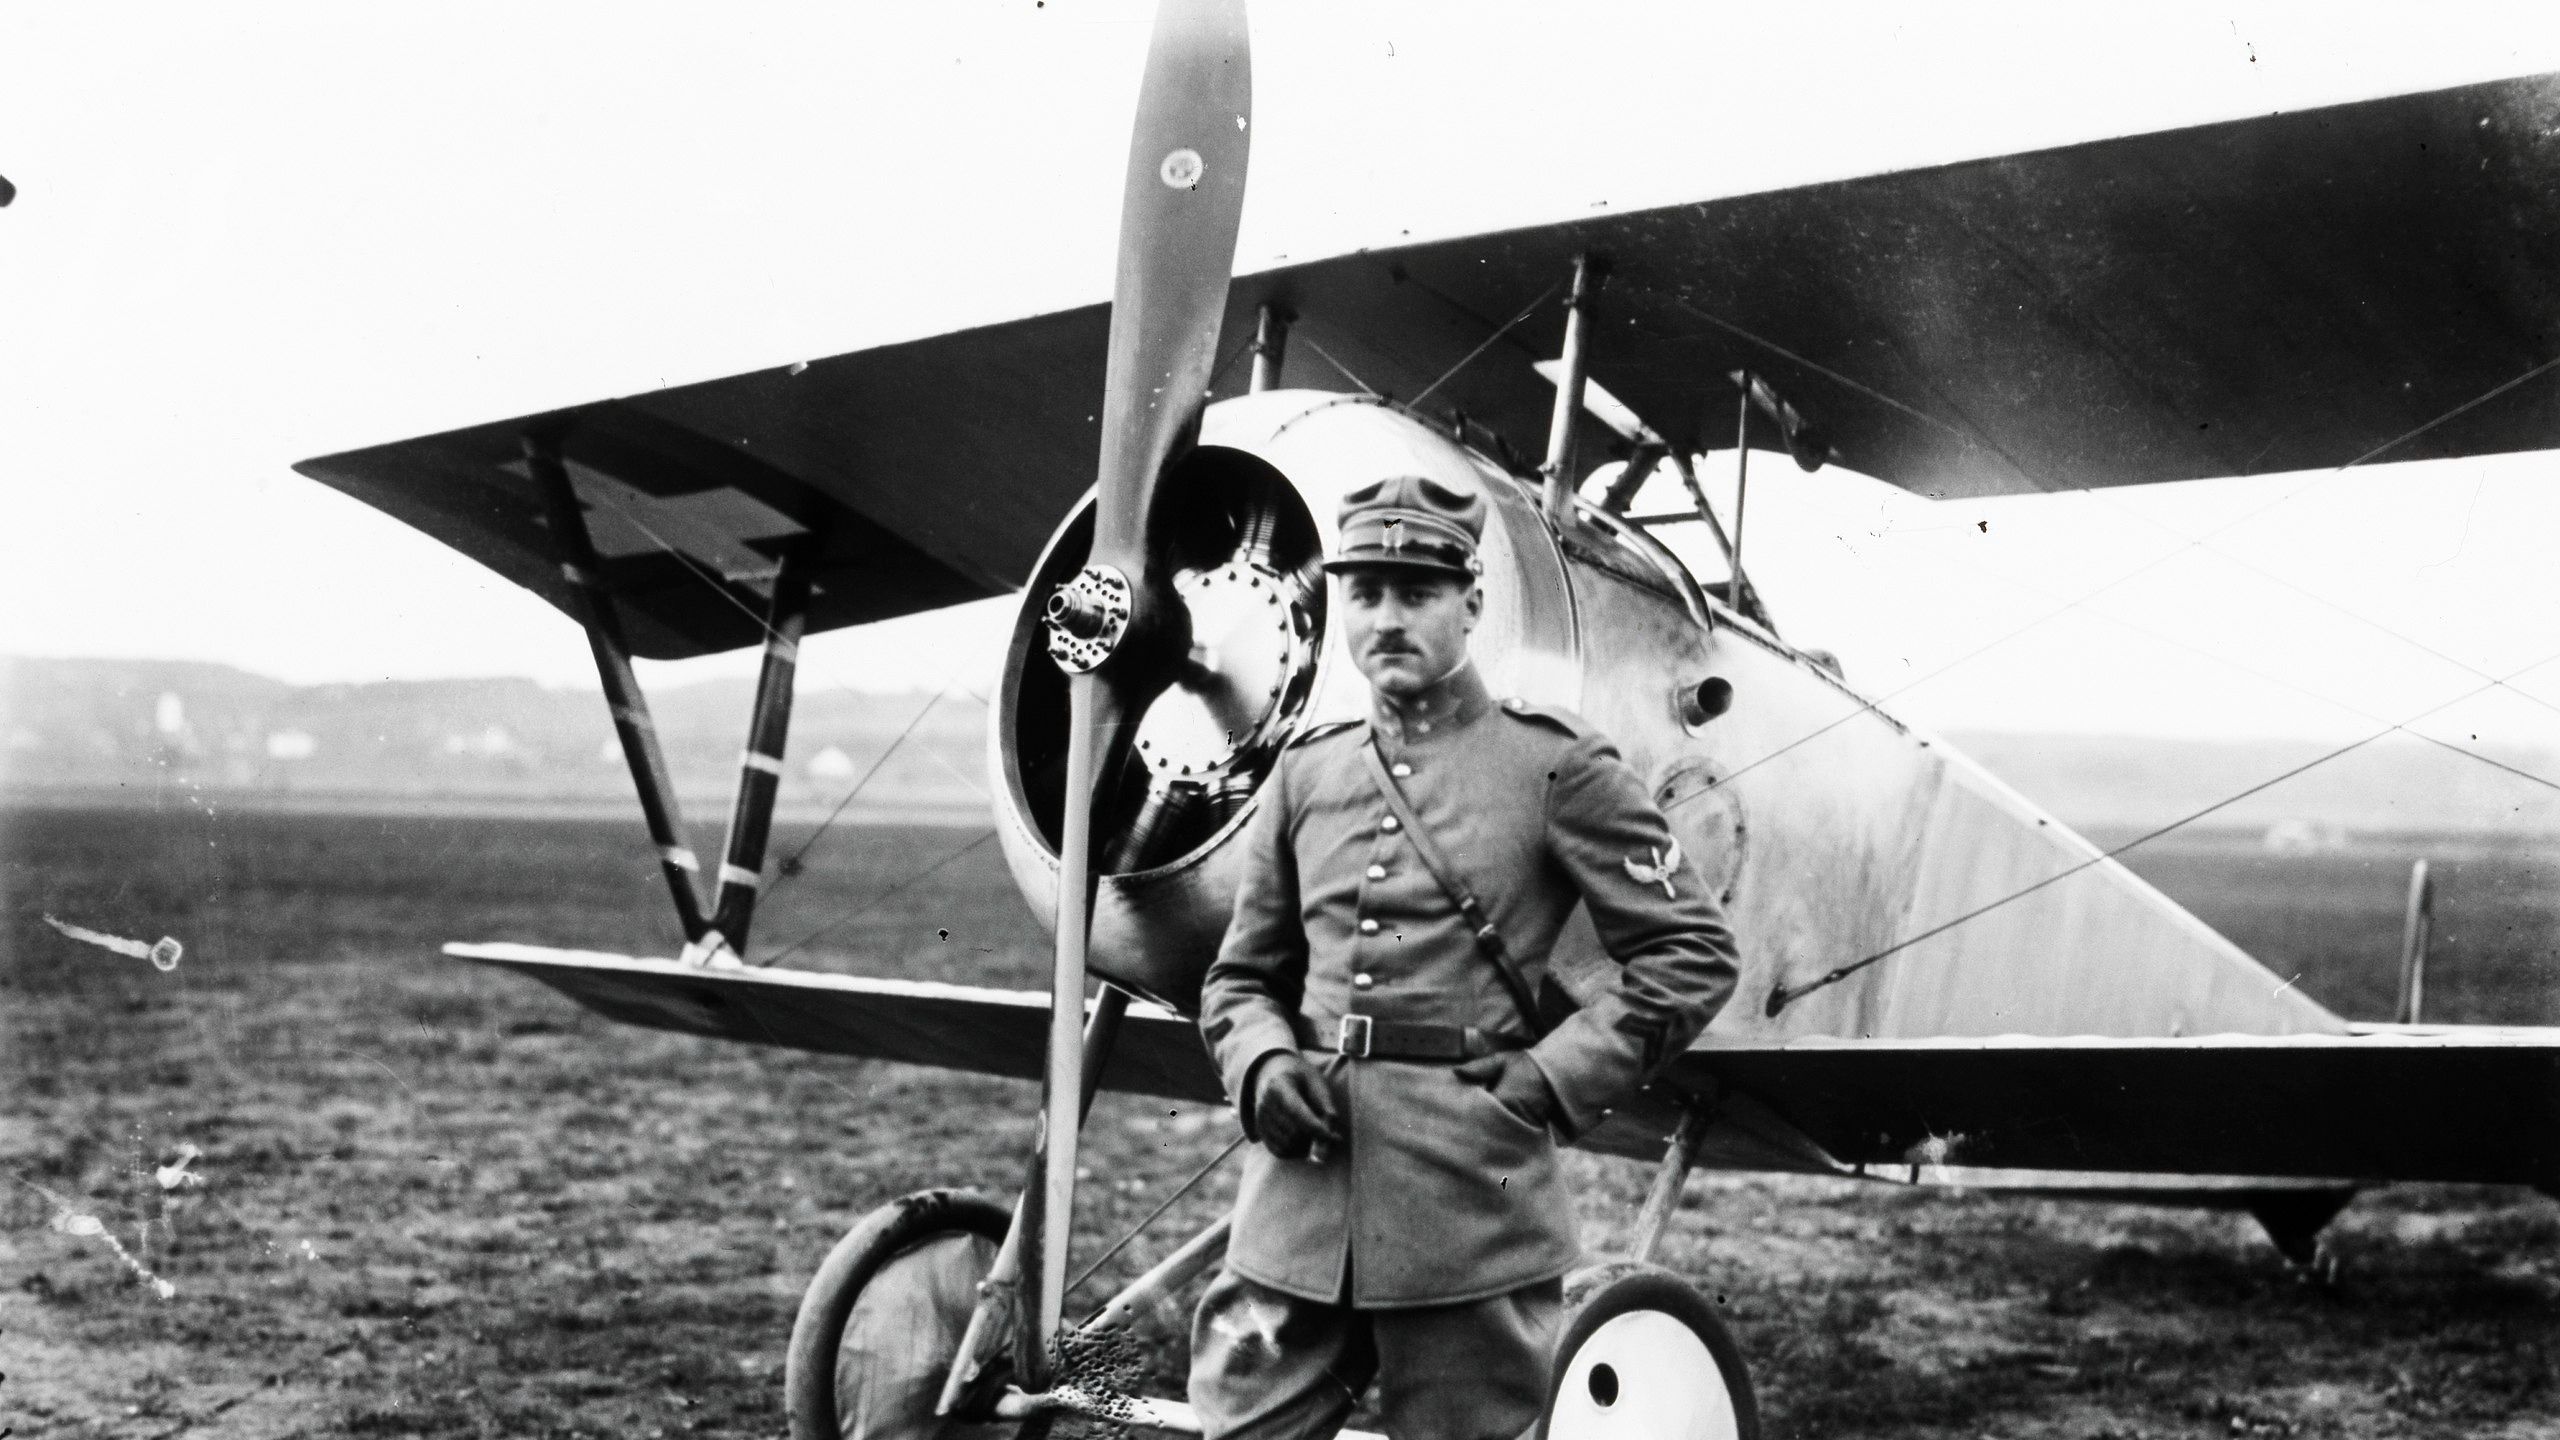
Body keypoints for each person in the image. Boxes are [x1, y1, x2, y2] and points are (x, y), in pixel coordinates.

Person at [1187, 470, 1742, 1440]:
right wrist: (1262, 1060)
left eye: (1417, 593)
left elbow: (1690, 955)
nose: (1386, 618)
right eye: (1364, 593)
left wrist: (1546, 1079)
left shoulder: (1555, 766)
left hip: (1469, 1201)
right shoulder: (1307, 773)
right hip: (1302, 1196)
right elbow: (1241, 977)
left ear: (1472, 603)